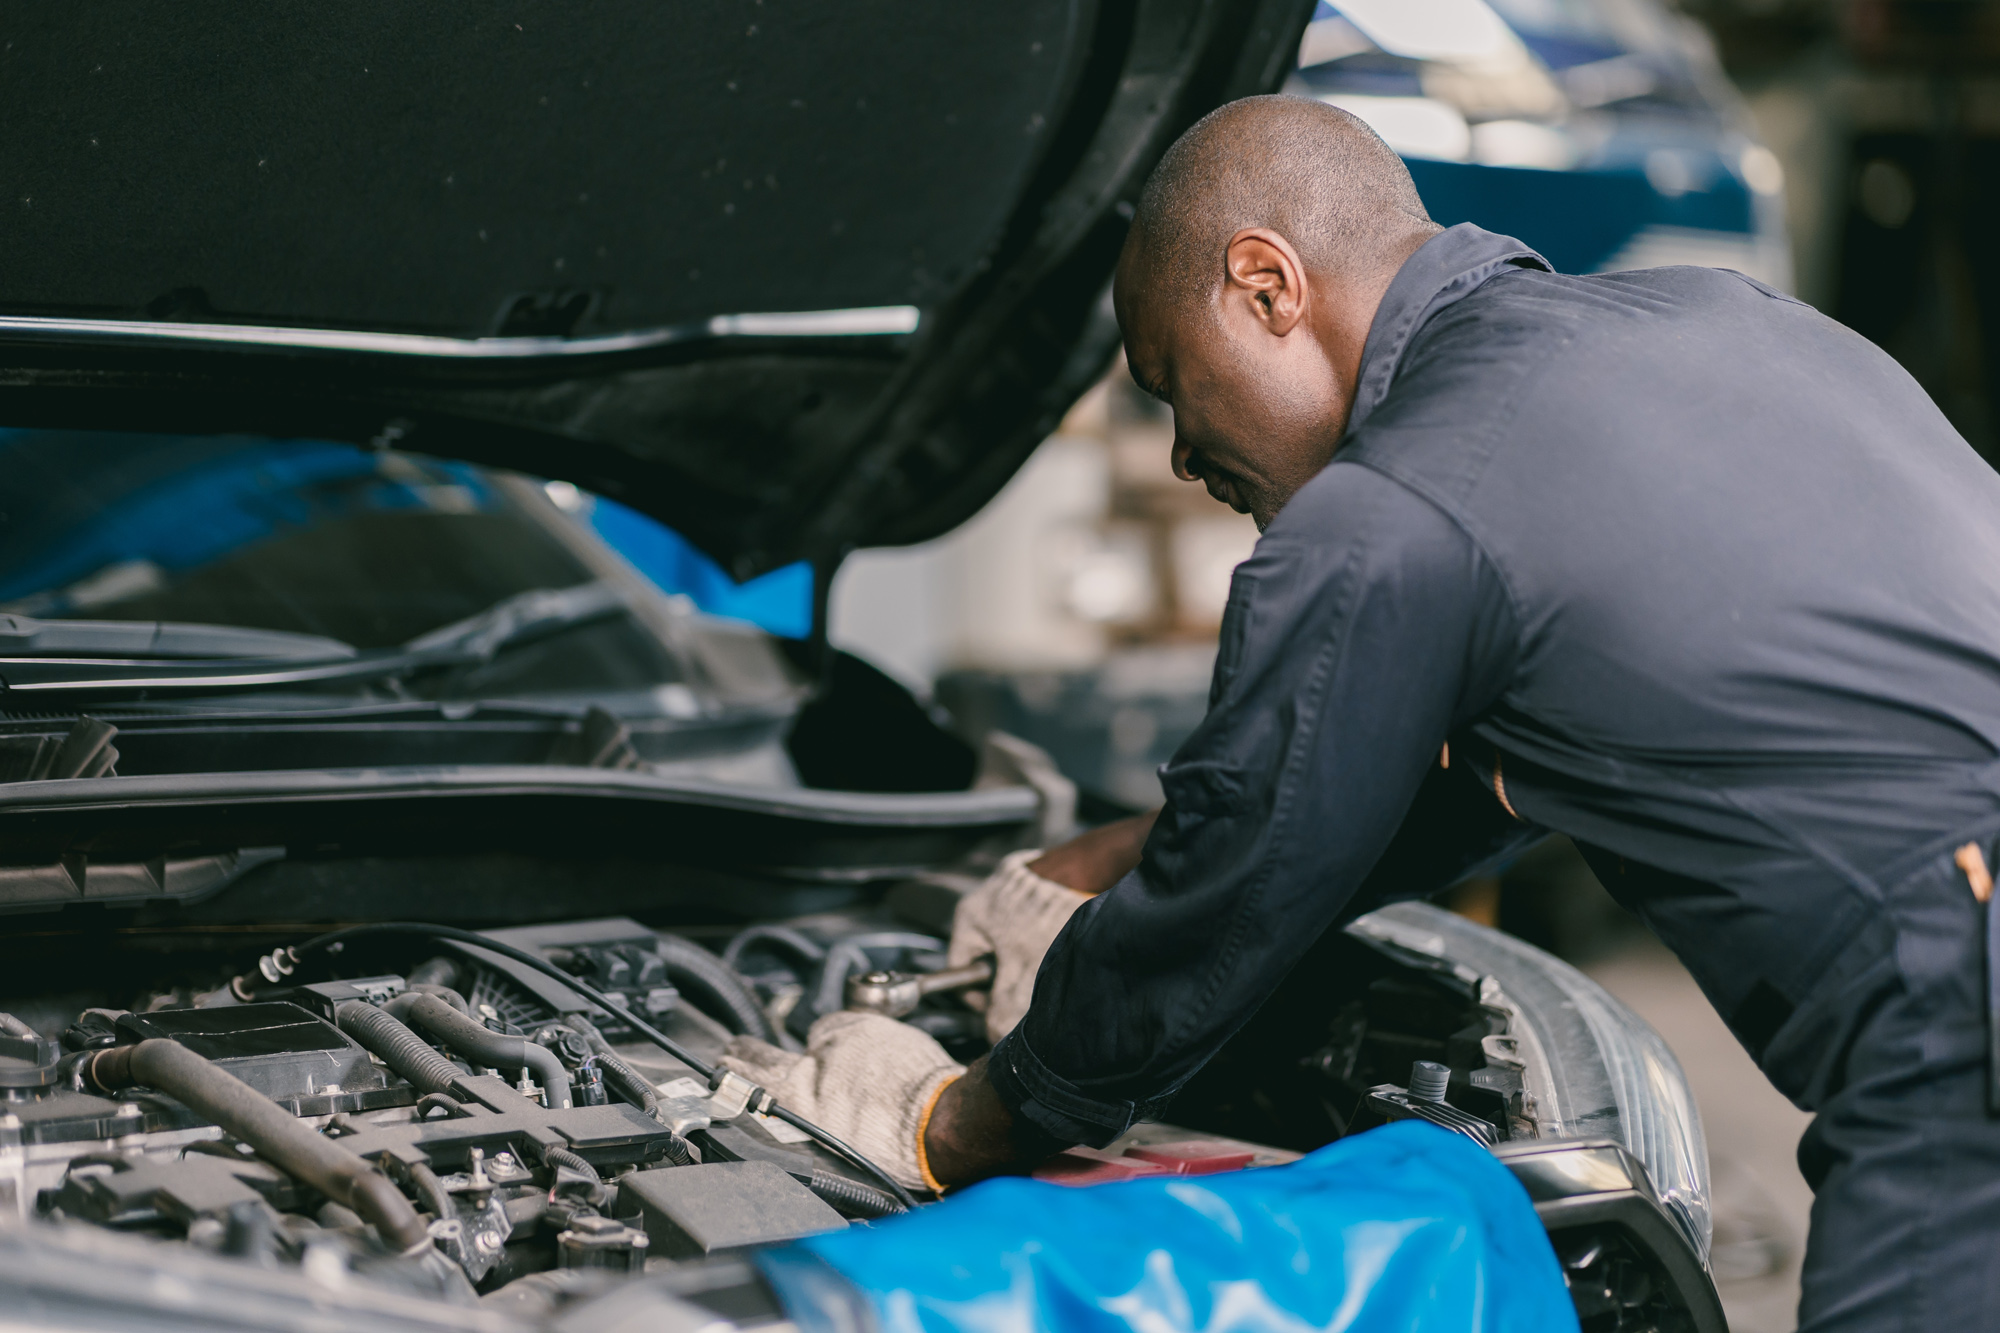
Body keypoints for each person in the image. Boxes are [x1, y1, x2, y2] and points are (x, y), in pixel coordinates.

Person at [721, 95, 2000, 1331]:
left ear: (1265, 286)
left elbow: (1228, 901)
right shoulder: (1705, 321)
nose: (1180, 453)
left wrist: (955, 1118)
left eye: (1171, 385)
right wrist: (1099, 866)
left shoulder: (1394, 511)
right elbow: (1418, 785)